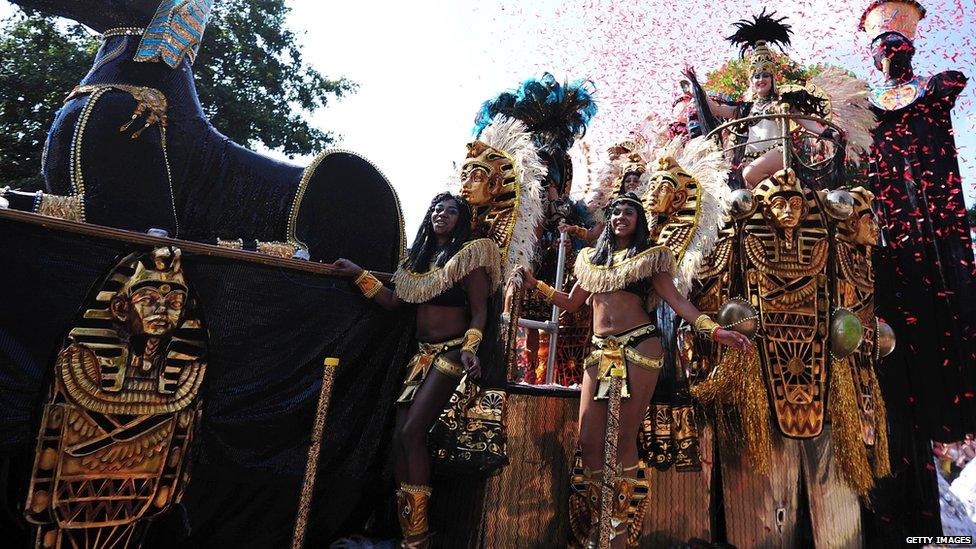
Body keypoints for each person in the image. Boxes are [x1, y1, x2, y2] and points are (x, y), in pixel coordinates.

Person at [518, 190, 748, 547]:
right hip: (599, 353)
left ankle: (616, 530)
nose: (620, 217)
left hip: (639, 347)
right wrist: (537, 285)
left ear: (638, 221)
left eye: (628, 212)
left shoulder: (649, 259)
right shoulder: (591, 260)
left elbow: (678, 303)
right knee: (589, 440)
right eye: (615, 212)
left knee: (622, 438)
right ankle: (601, 517)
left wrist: (716, 331)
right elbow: (571, 303)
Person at [327, 192, 499, 548]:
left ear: (461, 220)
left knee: (411, 434)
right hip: (420, 357)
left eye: (452, 211)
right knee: (399, 438)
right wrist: (359, 274)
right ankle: (412, 536)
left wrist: (470, 349)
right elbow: (392, 302)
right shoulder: (416, 263)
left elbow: (480, 311)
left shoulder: (470, 257)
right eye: (437, 209)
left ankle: (419, 540)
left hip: (451, 353)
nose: (442, 214)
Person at [683, 9, 836, 189]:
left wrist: (827, 133)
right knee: (750, 196)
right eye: (756, 76)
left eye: (765, 75)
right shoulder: (746, 109)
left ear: (773, 78)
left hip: (778, 154)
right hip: (751, 158)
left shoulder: (783, 102)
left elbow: (804, 122)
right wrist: (697, 90)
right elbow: (716, 109)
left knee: (749, 174)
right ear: (751, 81)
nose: (761, 79)